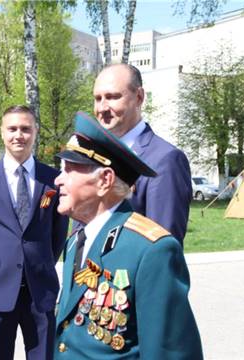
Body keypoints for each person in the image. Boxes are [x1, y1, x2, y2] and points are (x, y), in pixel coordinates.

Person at [53, 112, 203, 359]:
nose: (58, 179)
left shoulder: (152, 251)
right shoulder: (75, 242)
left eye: (69, 170)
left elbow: (170, 352)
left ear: (105, 180)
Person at [0, 105, 69, 360]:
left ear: (35, 132)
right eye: (12, 128)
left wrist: (40, 263)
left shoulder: (53, 179)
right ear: (2, 132)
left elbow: (58, 235)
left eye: (25, 129)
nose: (18, 135)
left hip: (40, 291)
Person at [93, 64, 192, 243]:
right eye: (98, 98)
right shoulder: (93, 155)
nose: (102, 108)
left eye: (112, 97)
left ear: (139, 97)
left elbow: (162, 249)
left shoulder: (164, 160)